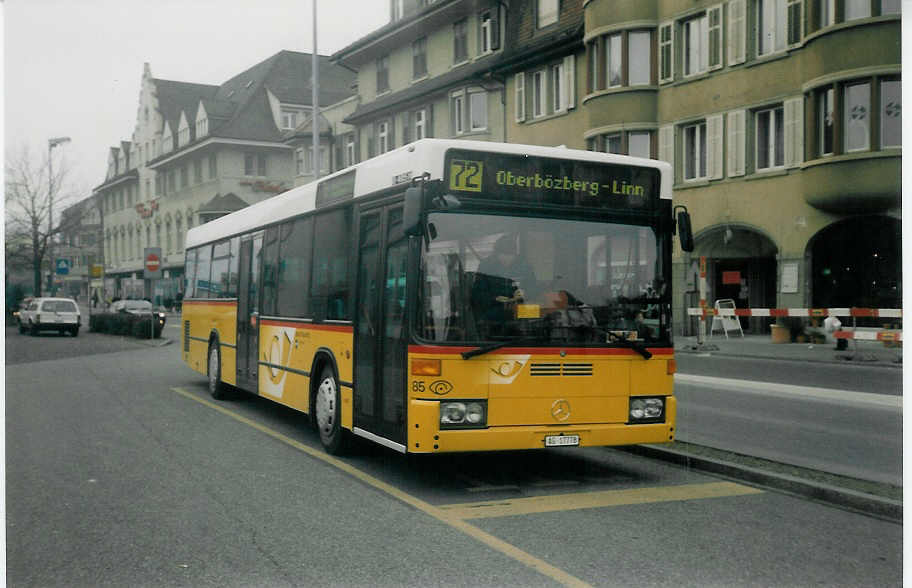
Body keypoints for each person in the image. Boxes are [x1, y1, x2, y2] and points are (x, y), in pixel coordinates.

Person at [471, 234, 537, 334]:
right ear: (496, 254)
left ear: (515, 254)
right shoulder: (486, 267)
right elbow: (477, 294)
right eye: (503, 254)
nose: (507, 259)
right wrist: (495, 298)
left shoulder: (525, 267)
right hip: (492, 314)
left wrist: (526, 293)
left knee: (536, 312)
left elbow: (535, 289)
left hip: (520, 312)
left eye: (510, 255)